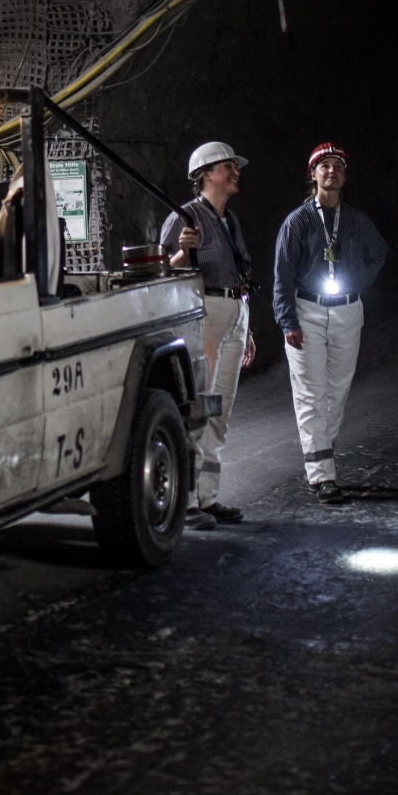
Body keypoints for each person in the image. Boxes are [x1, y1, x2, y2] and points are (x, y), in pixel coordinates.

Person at [273, 143, 388, 504]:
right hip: (307, 310)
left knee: (336, 391)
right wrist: (287, 320)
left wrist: (360, 280)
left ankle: (320, 451)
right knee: (310, 392)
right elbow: (282, 275)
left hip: (348, 310)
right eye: (324, 165)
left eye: (337, 165)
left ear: (344, 176)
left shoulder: (356, 220)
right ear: (313, 174)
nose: (331, 170)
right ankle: (323, 475)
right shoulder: (297, 222)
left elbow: (379, 251)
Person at [157, 141, 256, 528]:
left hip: (234, 310)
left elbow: (240, 271)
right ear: (205, 174)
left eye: (235, 166)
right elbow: (160, 269)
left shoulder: (230, 220)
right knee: (200, 407)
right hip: (205, 311)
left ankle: (209, 497)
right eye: (227, 166)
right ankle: (187, 503)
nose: (235, 172)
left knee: (221, 409)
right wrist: (182, 253)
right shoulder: (183, 217)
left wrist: (247, 324)